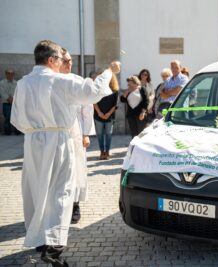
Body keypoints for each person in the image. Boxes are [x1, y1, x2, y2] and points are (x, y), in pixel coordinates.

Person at [10, 40, 120, 267]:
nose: (62, 63)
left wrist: (36, 131)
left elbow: (16, 119)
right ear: (51, 60)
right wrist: (109, 71)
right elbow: (93, 91)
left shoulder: (23, 83)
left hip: (32, 142)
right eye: (61, 59)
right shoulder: (61, 81)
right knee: (60, 191)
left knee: (36, 189)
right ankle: (54, 246)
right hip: (59, 140)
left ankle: (39, 240)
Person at [59, 48, 94, 224]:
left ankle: (75, 205)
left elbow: (87, 109)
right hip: (56, 135)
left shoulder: (78, 81)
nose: (69, 63)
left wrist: (86, 134)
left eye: (70, 60)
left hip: (76, 133)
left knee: (77, 169)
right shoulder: (52, 81)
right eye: (65, 60)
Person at [93, 73, 119, 160]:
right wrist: (99, 112)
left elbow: (115, 105)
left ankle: (107, 152)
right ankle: (101, 152)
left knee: (108, 134)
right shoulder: (96, 89)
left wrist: (108, 114)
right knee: (100, 135)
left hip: (110, 116)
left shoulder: (115, 90)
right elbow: (94, 101)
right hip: (98, 115)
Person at [0, 68, 18, 135]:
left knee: (16, 117)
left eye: (12, 73)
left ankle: (17, 131)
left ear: (13, 74)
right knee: (7, 117)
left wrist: (14, 100)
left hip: (15, 103)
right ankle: (7, 131)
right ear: (6, 74)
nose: (10, 75)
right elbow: (2, 93)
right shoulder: (1, 83)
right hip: (6, 103)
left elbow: (18, 92)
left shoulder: (16, 83)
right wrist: (9, 99)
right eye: (8, 73)